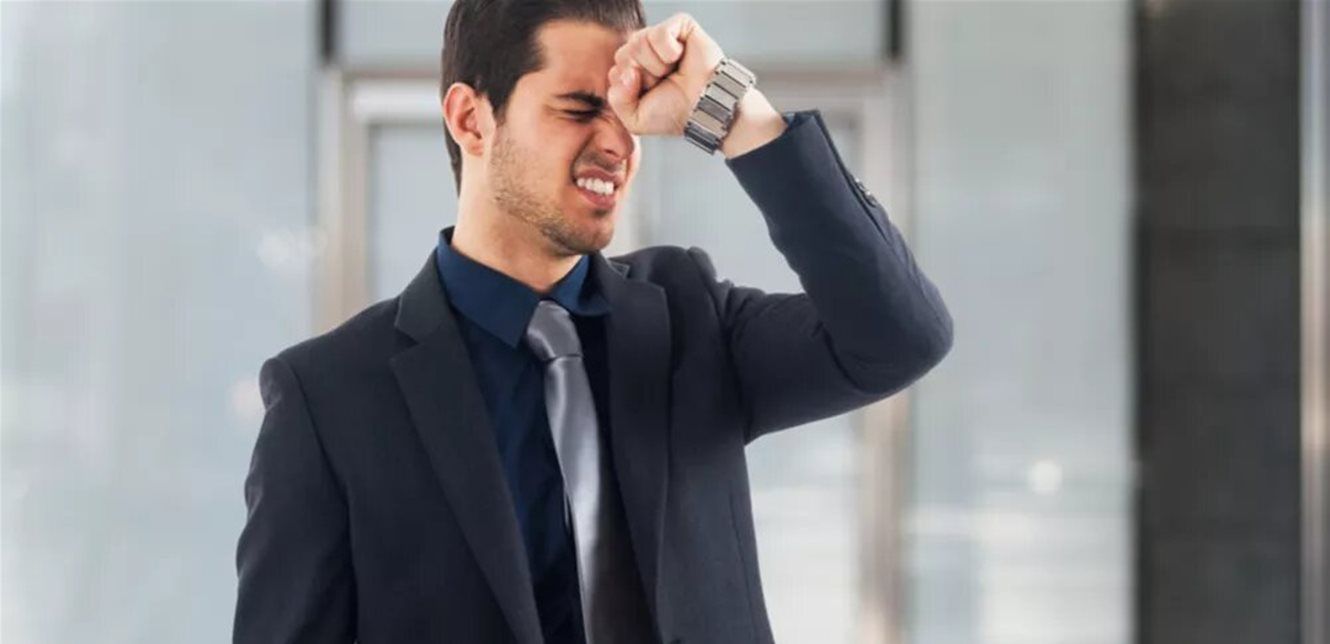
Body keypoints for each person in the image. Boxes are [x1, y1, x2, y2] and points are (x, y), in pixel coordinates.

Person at [232, 2, 953, 643]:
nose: (619, 144)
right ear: (471, 118)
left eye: (628, 114)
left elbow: (901, 336)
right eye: (579, 109)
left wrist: (733, 113)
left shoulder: (690, 317)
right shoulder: (328, 398)